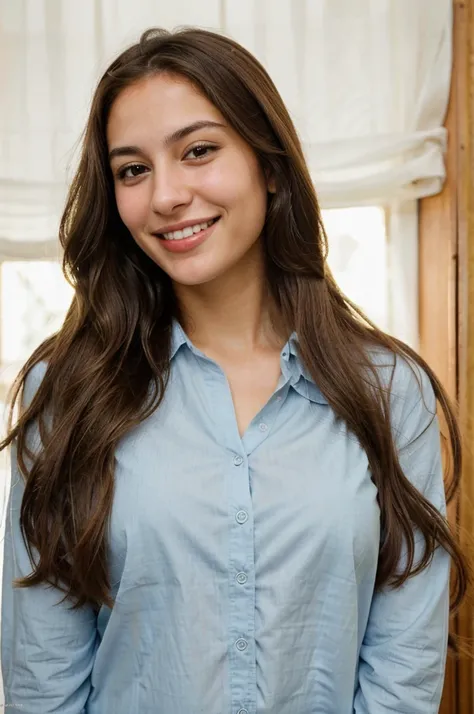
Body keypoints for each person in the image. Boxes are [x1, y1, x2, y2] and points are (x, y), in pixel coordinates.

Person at [0, 26, 468, 714]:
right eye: (133, 169)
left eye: (198, 151)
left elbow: (405, 669)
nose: (165, 195)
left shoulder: (391, 392)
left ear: (269, 166)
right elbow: (44, 678)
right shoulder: (68, 393)